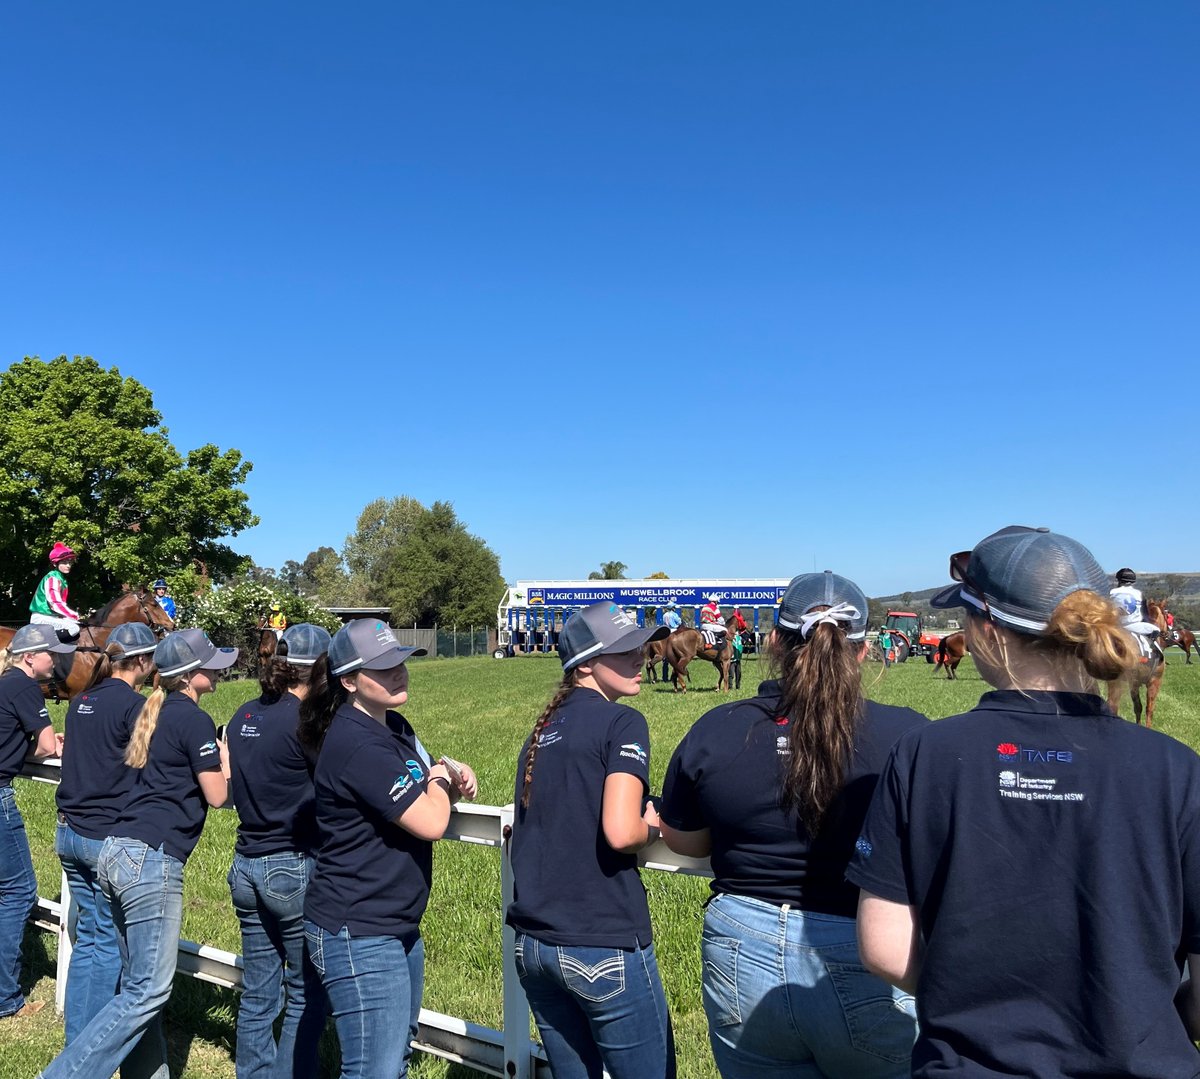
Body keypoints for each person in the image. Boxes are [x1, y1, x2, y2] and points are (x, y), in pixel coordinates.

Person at [850, 526, 1200, 1077]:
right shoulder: (1178, 769)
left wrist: (973, 992)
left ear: (986, 630)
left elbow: (884, 946)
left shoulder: (923, 753)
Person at [659, 572, 925, 1078]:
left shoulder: (718, 728)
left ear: (776, 642)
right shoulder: (910, 735)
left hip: (741, 939)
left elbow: (685, 841)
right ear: (865, 652)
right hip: (866, 945)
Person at [40, 628, 238, 1079]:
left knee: (134, 983)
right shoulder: (192, 719)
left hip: (116, 850)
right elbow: (217, 796)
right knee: (147, 990)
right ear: (191, 676)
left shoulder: (153, 710)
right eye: (211, 665)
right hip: (152, 860)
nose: (218, 671)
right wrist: (230, 761)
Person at [298, 619, 477, 1079]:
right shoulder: (358, 743)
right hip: (359, 929)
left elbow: (413, 797)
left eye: (400, 662)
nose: (399, 673)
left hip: (392, 922)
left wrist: (448, 776)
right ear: (350, 681)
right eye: (383, 668)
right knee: (372, 1070)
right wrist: (441, 778)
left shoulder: (391, 728)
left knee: (394, 1060)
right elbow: (431, 820)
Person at [508, 601, 676, 1079]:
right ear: (584, 665)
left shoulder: (541, 732)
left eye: (640, 648)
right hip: (601, 942)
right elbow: (621, 831)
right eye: (623, 652)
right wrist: (656, 825)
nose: (640, 658)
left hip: (534, 946)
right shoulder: (623, 722)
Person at [227, 623, 331, 1079]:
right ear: (320, 670)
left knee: (257, 990)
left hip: (246, 862)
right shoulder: (305, 721)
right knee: (305, 990)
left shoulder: (242, 715)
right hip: (291, 864)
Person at [55, 622, 157, 1045]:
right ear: (139, 661)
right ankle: (88, 1048)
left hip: (69, 832)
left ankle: (75, 1037)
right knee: (107, 943)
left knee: (90, 937)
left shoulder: (82, 701)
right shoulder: (134, 706)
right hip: (103, 836)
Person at [0, 625, 70, 1020]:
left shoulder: (3, 683)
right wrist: (48, 741)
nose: (56, 661)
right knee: (20, 891)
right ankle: (6, 997)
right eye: (50, 654)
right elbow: (45, 746)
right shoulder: (25, 687)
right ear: (30, 657)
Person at [29, 542, 82, 641]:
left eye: (70, 562)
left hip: (51, 617)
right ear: (55, 564)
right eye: (65, 563)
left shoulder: (61, 578)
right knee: (74, 628)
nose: (68, 565)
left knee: (78, 627)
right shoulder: (53, 577)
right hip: (42, 618)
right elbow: (55, 603)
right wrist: (74, 615)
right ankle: (45, 647)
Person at [1110, 567, 1163, 659]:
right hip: (1135, 626)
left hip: (1115, 627)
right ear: (1133, 581)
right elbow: (1145, 615)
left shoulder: (1111, 592)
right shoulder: (1138, 593)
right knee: (1156, 630)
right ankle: (1152, 652)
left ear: (1118, 581)